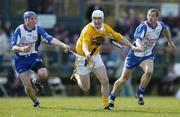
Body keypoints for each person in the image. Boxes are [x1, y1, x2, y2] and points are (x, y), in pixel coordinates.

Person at [70, 10, 142, 110]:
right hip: (83, 58)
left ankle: (106, 105)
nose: (96, 21)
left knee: (104, 80)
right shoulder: (88, 29)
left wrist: (132, 47)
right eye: (94, 18)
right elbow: (84, 45)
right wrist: (86, 53)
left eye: (99, 18)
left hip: (95, 56)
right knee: (85, 88)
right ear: (92, 19)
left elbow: (119, 37)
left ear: (102, 19)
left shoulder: (105, 29)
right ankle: (76, 75)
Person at [109, 8, 176, 108]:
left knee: (149, 72)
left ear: (157, 18)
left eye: (153, 16)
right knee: (123, 79)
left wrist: (170, 42)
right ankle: (112, 97)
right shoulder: (143, 26)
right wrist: (139, 46)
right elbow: (138, 39)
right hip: (134, 55)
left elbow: (165, 30)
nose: (150, 17)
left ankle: (139, 93)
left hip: (147, 55)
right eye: (149, 15)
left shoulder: (160, 25)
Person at [11, 11, 71, 107]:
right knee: (27, 86)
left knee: (43, 74)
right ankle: (36, 102)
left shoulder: (38, 29)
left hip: (33, 56)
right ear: (26, 20)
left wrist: (63, 45)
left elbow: (50, 39)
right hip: (21, 59)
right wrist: (22, 48)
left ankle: (36, 81)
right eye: (32, 19)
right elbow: (13, 47)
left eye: (35, 19)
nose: (34, 21)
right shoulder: (19, 30)